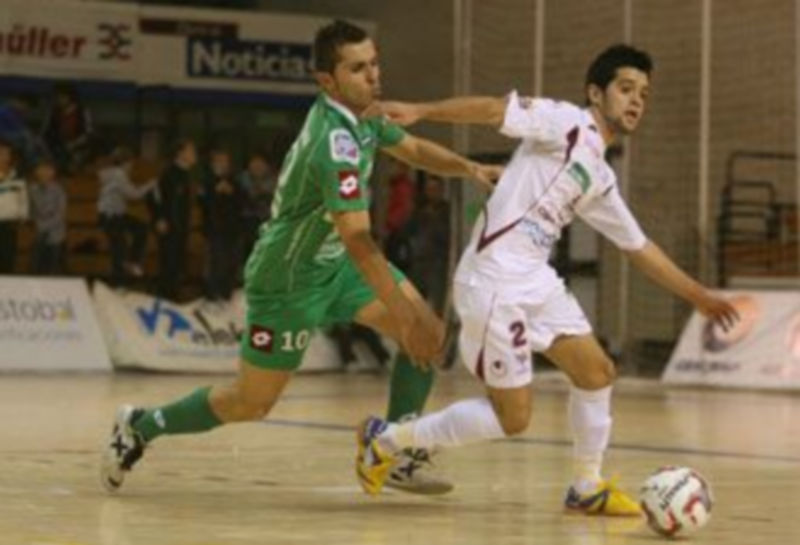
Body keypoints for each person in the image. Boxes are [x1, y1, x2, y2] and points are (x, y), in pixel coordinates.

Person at [101, 20, 499, 495]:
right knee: (251, 403)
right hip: (289, 277)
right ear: (327, 81)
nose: (372, 76)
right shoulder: (334, 144)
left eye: (374, 64)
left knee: (428, 334)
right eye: (357, 68)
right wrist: (399, 313)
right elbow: (359, 239)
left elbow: (411, 148)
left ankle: (392, 453)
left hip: (339, 264)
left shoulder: (367, 114)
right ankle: (141, 425)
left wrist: (469, 167)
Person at [355, 44, 739, 515]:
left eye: (643, 93)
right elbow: (496, 110)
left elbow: (639, 248)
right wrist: (422, 109)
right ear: (595, 94)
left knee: (597, 373)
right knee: (512, 418)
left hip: (535, 280)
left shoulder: (598, 174)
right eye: (625, 89)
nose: (637, 100)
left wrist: (700, 297)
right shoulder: (566, 122)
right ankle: (386, 440)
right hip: (494, 279)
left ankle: (585, 486)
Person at [97, 147, 155, 286]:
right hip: (111, 216)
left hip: (114, 215)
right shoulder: (118, 174)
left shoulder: (112, 174)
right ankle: (118, 282)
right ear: (126, 163)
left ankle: (132, 263)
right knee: (119, 248)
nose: (131, 167)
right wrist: (150, 185)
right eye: (131, 164)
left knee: (140, 228)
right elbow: (133, 194)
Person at [151, 139, 197, 300]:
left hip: (181, 225)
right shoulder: (169, 173)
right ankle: (166, 295)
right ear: (181, 153)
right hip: (169, 225)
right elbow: (155, 196)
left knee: (177, 262)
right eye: (191, 151)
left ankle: (172, 293)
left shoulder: (185, 174)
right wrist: (160, 218)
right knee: (169, 262)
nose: (194, 154)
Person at [198, 148, 243, 302]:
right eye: (220, 161)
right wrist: (216, 191)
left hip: (233, 229)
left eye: (226, 161)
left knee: (231, 263)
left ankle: (226, 295)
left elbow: (243, 202)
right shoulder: (207, 181)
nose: (224, 164)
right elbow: (203, 203)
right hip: (215, 230)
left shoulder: (234, 182)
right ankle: (212, 296)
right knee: (216, 263)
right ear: (213, 164)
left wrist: (232, 192)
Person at [28, 158, 67, 275]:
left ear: (53, 172)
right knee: (36, 269)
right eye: (41, 169)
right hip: (38, 236)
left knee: (52, 270)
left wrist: (43, 226)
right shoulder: (32, 189)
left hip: (56, 236)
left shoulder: (59, 190)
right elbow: (31, 210)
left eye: (48, 169)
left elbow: (60, 214)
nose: (44, 172)